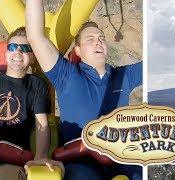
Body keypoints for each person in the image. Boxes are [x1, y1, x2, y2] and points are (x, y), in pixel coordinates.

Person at [25, 1, 142, 179]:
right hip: (80, 162)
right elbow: (35, 36)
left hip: (122, 161)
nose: (98, 42)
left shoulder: (124, 75)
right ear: (77, 51)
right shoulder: (66, 74)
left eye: (101, 38)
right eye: (90, 39)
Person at [0, 27, 63, 180]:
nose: (18, 51)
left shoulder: (36, 85)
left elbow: (42, 124)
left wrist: (40, 156)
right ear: (6, 54)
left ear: (33, 57)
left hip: (8, 161)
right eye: (13, 47)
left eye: (26, 48)